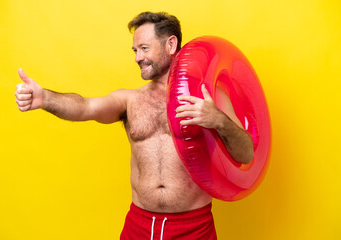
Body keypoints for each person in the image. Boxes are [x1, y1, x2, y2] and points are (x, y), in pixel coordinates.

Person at [15, 11, 254, 240]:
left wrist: (217, 120)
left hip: (194, 227)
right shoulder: (130, 100)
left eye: (144, 48)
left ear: (171, 45)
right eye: (135, 50)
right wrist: (45, 98)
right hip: (139, 225)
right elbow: (85, 107)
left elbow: (245, 154)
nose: (138, 57)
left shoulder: (208, 97)